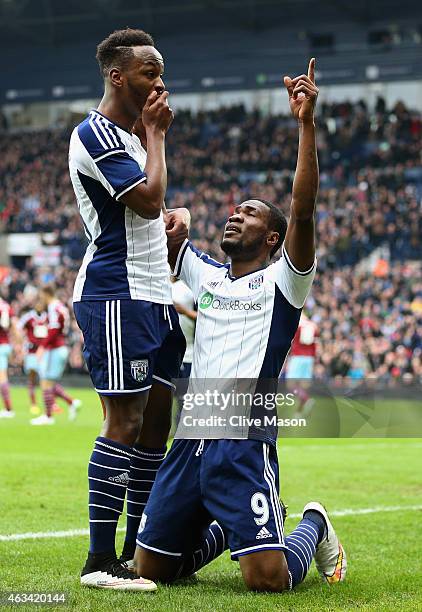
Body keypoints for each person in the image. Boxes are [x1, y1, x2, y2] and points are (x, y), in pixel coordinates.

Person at [135, 59, 347, 592]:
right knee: (152, 571)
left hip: (245, 436)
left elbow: (302, 209)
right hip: (192, 434)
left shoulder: (284, 282)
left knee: (268, 580)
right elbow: (156, 223)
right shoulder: (204, 271)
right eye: (234, 211)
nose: (235, 215)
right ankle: (230, 530)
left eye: (250, 213)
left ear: (272, 238)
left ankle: (313, 525)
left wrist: (305, 124)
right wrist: (173, 216)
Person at [69, 28, 187, 591]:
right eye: (149, 71)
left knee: (152, 426)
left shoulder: (134, 138)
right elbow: (146, 199)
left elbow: (151, 220)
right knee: (124, 423)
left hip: (152, 293)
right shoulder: (95, 133)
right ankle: (99, 561)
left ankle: (135, 551)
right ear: (118, 75)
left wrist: (173, 229)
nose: (159, 81)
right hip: (114, 293)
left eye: (161, 71)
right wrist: (159, 137)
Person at [30, 286, 81, 425]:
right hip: (60, 347)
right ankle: (72, 402)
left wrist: (42, 347)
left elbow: (53, 330)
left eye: (42, 295)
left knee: (45, 382)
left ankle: (48, 416)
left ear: (46, 294)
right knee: (50, 383)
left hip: (55, 349)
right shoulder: (60, 306)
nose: (41, 299)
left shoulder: (53, 307)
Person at [18, 298, 48, 415]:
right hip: (32, 352)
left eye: (41, 303)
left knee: (46, 379)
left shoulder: (47, 316)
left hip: (44, 351)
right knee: (32, 378)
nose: (39, 305)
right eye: (37, 303)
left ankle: (49, 404)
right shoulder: (29, 317)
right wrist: (22, 342)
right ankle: (33, 404)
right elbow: (18, 327)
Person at [285, 312, 318, 417]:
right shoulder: (313, 326)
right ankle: (300, 411)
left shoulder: (297, 325)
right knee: (303, 386)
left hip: (298, 357)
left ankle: (306, 400)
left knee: (291, 385)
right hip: (309, 358)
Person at [171, 275, 196, 409]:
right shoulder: (175, 288)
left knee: (185, 400)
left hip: (191, 355)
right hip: (177, 354)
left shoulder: (193, 289)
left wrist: (186, 312)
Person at [0, 294, 17, 418]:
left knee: (2, 377)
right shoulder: (6, 306)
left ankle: (8, 408)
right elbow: (12, 326)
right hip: (6, 345)